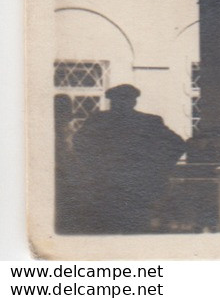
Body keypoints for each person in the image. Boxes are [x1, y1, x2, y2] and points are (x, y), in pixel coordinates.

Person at [68, 84, 187, 233]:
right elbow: (80, 144)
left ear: (133, 102)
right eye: (118, 101)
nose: (121, 104)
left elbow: (177, 145)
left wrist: (157, 170)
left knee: (125, 230)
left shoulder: (148, 122)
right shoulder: (99, 121)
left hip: (128, 189)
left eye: (125, 100)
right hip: (111, 189)